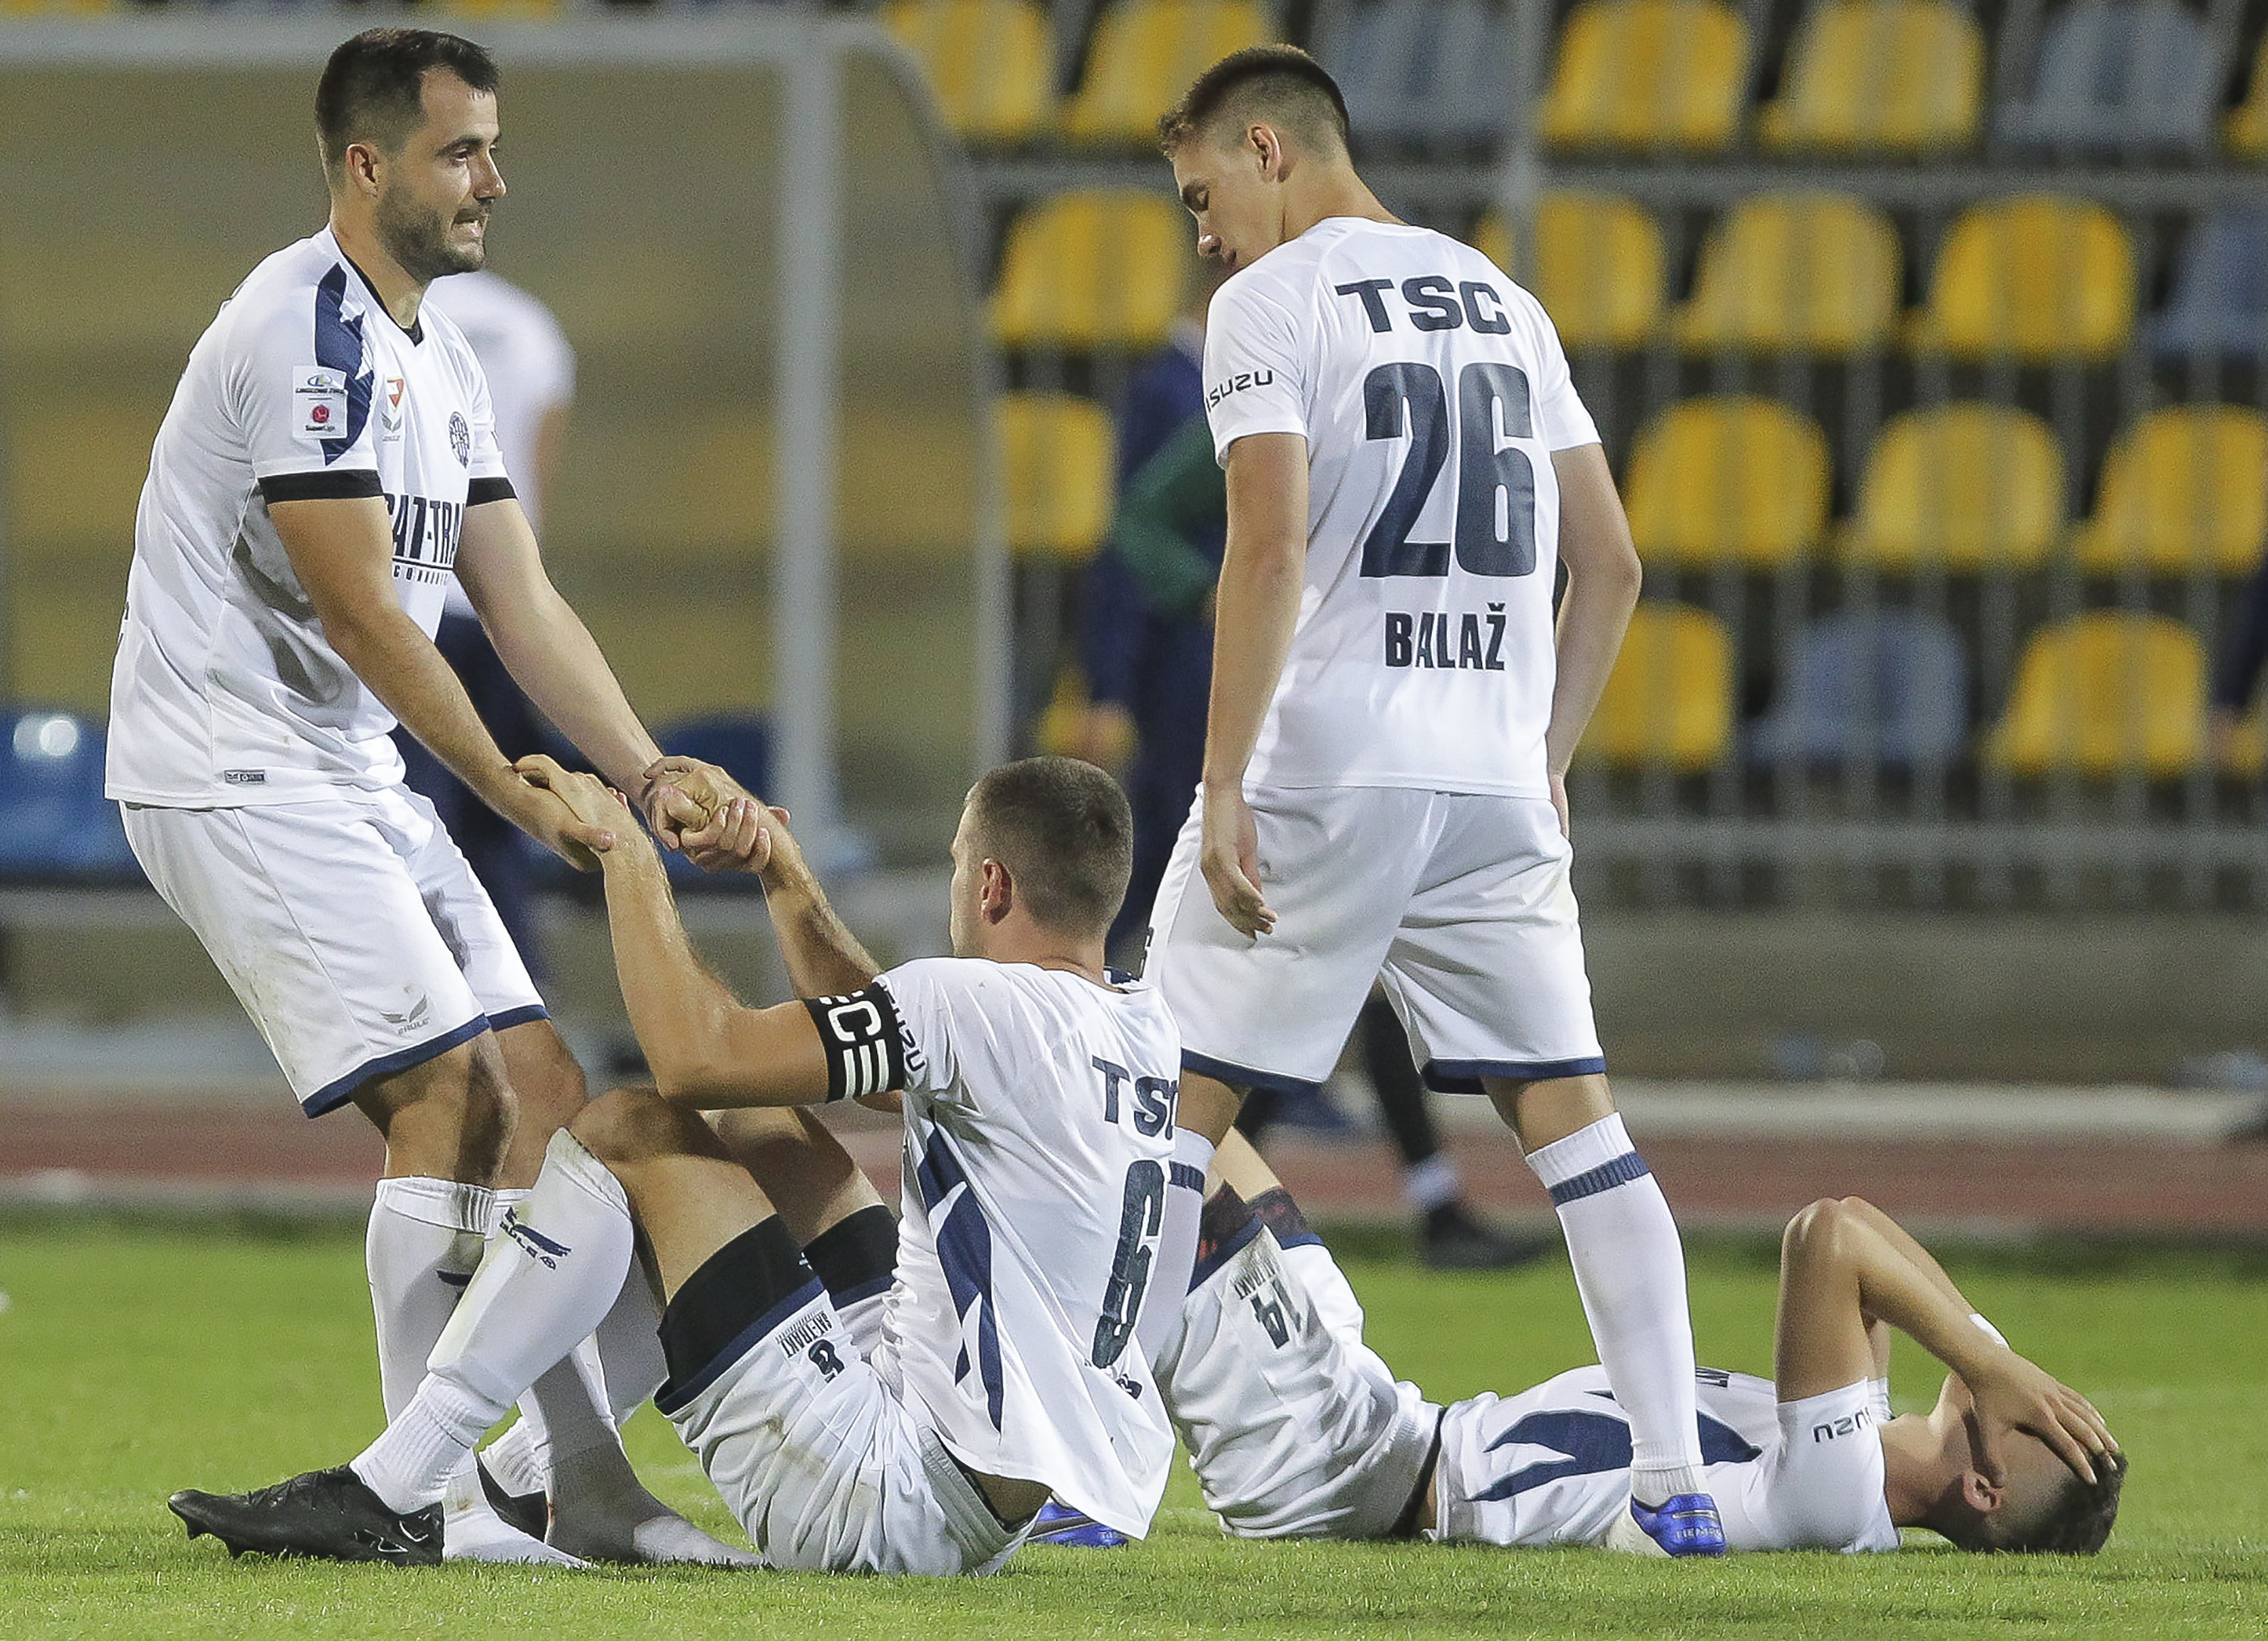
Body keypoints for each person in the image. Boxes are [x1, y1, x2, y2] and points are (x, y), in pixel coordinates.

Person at [104, 28, 745, 1562]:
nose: (493, 181)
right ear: (366, 162)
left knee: (543, 1090)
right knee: (446, 1095)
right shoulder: (299, 336)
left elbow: (517, 599)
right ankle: (432, 1506)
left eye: (493, 150)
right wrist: (520, 798)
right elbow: (368, 619)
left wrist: (646, 768)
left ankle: (577, 1485)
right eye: (462, 152)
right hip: (228, 765)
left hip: (341, 764)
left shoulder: (439, 358)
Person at [1144, 47, 1715, 1552]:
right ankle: (1673, 1481)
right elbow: (1615, 564)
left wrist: (1221, 778)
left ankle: (1088, 1477)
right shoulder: (1504, 299)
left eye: (1201, 194)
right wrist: (1547, 754)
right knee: (1580, 1131)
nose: (1201, 233)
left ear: (1267, 149)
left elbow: (1268, 549)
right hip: (1488, 776)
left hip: (1332, 760)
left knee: (1160, 1115)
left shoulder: (1269, 303)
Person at [168, 756, 1210, 1576]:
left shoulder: (976, 1006)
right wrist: (780, 871)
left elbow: (694, 1055)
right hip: (984, 1492)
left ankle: (402, 1486)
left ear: (991, 883)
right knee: (756, 1127)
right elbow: (888, 1070)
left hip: (890, 1498)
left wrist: (624, 852)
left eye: (954, 864)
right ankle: (568, 1480)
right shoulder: (1133, 1022)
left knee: (630, 1124)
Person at [1086, 263, 1537, 1271]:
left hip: (1312, 709)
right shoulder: (1203, 384)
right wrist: (1172, 630)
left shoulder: (1316, 375)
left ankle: (1197, 1197)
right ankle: (1166, 1190)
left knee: (1300, 969)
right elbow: (1143, 530)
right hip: (1227, 706)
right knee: (1239, 961)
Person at [1156, 1134, 2126, 1555]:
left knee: (1154, 1163)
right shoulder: (1859, 1434)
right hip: (1383, 1419)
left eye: (2039, 1421)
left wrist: (1988, 1364)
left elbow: (1827, 1235)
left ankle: (1083, 1447)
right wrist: (1987, 1361)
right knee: (1198, 1090)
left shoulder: (1838, 1499)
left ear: (1984, 1490)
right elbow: (1864, 1223)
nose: (2033, 1392)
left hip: (1348, 1475)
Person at [395, 267, 576, 979]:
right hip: (496, 605)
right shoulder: (529, 324)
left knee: (414, 802)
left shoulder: (385, 319)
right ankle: (512, 984)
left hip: (409, 601)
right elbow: (538, 473)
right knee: (501, 801)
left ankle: (428, 984)